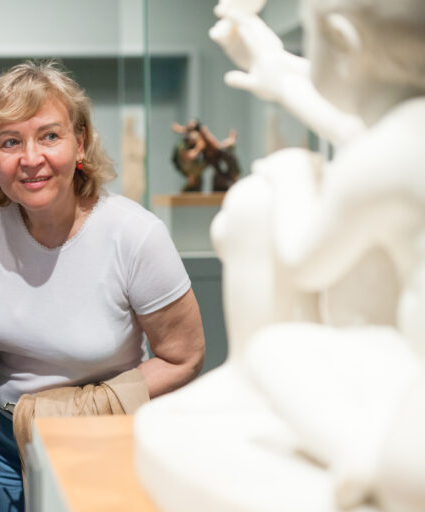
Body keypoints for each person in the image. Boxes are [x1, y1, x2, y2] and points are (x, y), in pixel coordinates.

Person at [134, 0, 425, 511]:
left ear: (343, 42)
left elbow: (306, 259)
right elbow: (353, 125)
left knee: (276, 350)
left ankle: (360, 454)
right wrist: (279, 71)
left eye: (308, 43)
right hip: (405, 371)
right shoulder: (407, 133)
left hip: (411, 427)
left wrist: (290, 173)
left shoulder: (387, 151)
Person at [0, 61, 206, 511]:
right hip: (1, 437)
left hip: (102, 435)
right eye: (9, 141)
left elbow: (185, 356)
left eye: (49, 135)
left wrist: (83, 408)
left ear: (79, 140)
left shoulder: (134, 235)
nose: (30, 158)